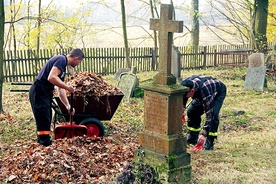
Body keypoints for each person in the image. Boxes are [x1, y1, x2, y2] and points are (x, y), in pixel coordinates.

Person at [29, 48, 84, 146]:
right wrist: (67, 87)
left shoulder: (62, 67)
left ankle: (43, 141)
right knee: (43, 117)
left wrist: (68, 105)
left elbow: (60, 89)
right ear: (76, 58)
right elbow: (51, 77)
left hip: (45, 92)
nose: (79, 64)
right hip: (39, 90)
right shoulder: (61, 59)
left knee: (46, 116)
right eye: (80, 61)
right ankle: (44, 143)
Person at [181, 75, 227, 150]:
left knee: (214, 115)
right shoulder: (186, 84)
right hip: (200, 93)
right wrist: (182, 110)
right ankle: (193, 139)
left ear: (192, 91)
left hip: (217, 92)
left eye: (185, 95)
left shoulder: (205, 90)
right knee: (192, 112)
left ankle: (209, 142)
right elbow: (184, 98)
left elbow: (209, 114)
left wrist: (204, 134)